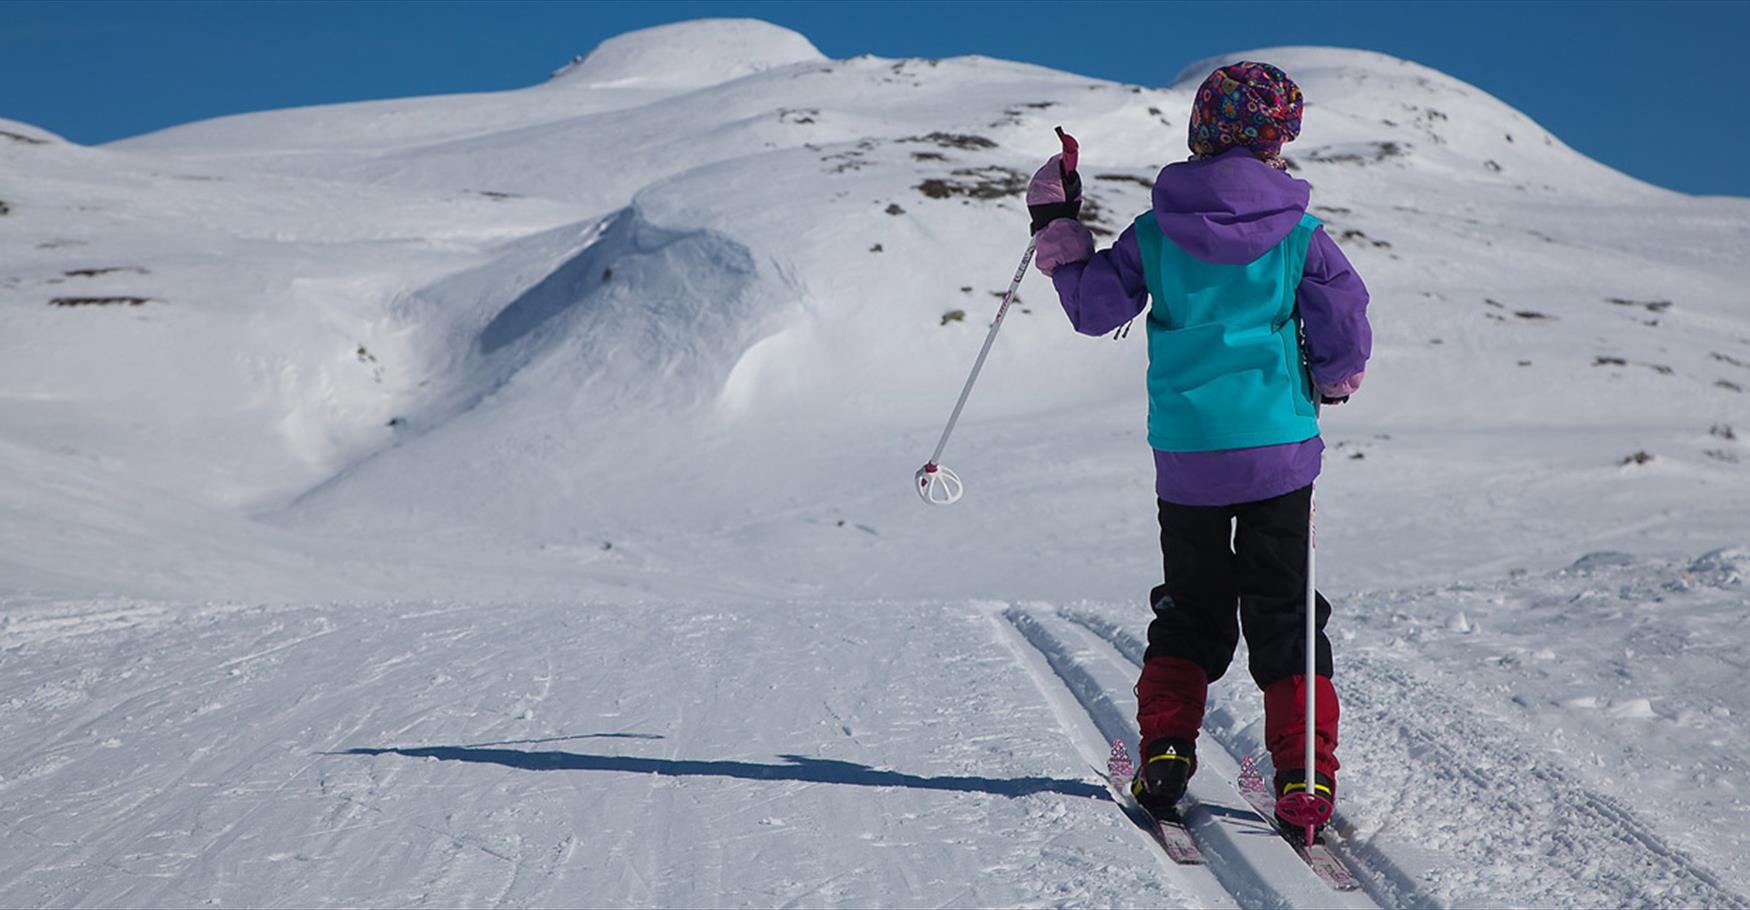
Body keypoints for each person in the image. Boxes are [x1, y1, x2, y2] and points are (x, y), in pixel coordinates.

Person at [1025, 62, 1372, 832]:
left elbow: (1093, 308)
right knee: (1284, 611)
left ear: (1201, 134)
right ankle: (1304, 776)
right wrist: (1338, 380)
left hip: (1187, 456)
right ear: (1279, 141)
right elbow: (1344, 319)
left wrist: (1054, 225)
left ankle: (1168, 752)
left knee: (1191, 606)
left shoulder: (1155, 233)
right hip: (1279, 448)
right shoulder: (1304, 237)